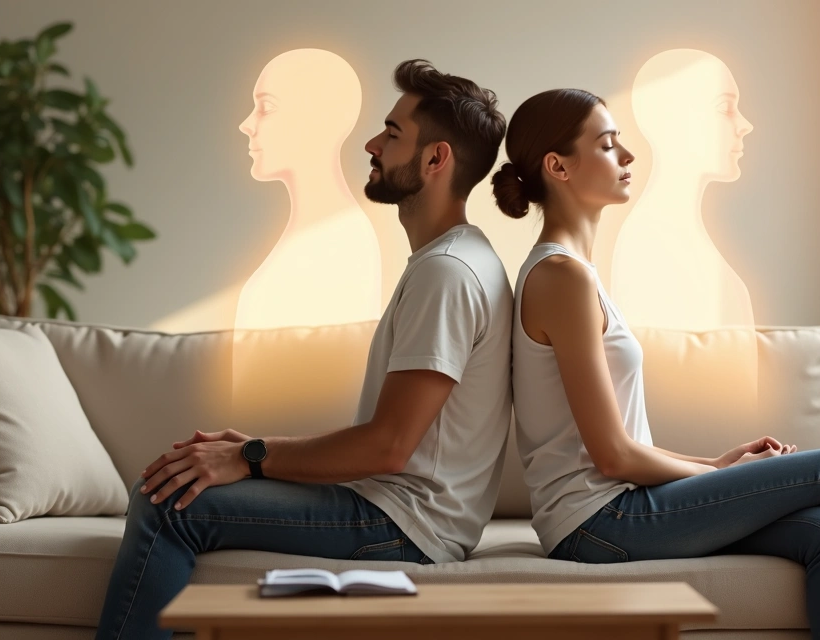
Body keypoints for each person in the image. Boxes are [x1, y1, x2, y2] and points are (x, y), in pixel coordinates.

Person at [492, 88, 820, 640]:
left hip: (616, 507)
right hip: (596, 523)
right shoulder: (560, 277)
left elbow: (615, 443)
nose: (628, 157)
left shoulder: (575, 275)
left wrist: (718, 464)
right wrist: (723, 474)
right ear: (558, 166)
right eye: (608, 145)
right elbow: (612, 456)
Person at [95, 59, 513, 640]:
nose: (370, 143)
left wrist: (251, 457)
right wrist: (250, 451)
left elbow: (389, 447)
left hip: (408, 526)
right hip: (398, 509)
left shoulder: (447, 272)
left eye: (392, 134)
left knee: (167, 501)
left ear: (435, 158)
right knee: (179, 482)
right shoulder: (450, 260)